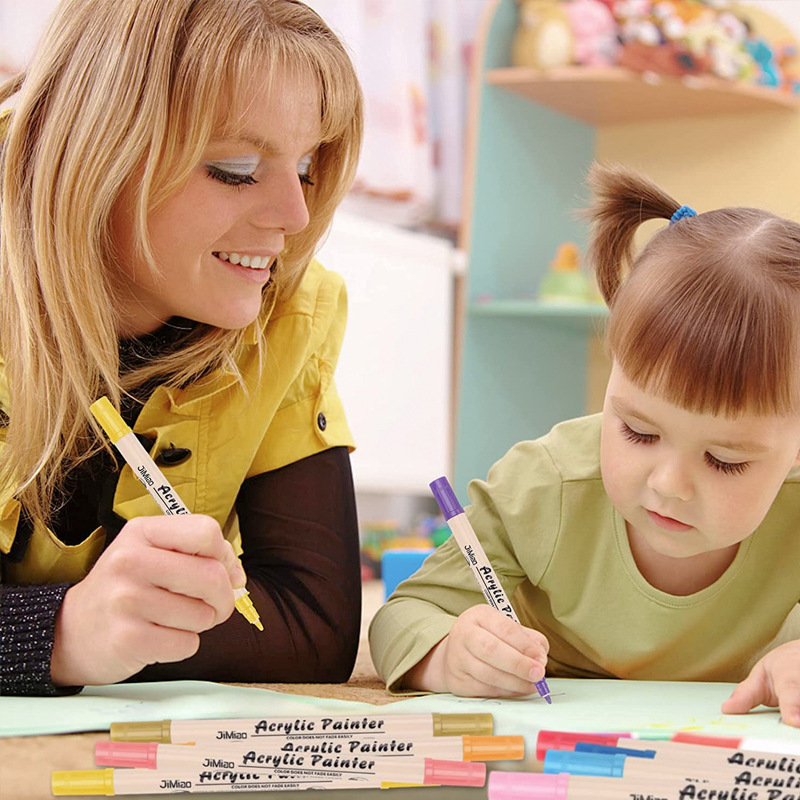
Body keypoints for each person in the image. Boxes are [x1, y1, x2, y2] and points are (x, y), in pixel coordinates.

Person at [0, 0, 364, 696]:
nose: (294, 216)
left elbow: (311, 631)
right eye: (235, 166)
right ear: (93, 148)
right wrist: (59, 634)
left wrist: (122, 632)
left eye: (309, 164)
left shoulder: (290, 308)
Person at [369, 163, 800, 726]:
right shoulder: (542, 487)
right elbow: (404, 614)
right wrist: (449, 655)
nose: (668, 483)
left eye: (725, 460)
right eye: (638, 430)